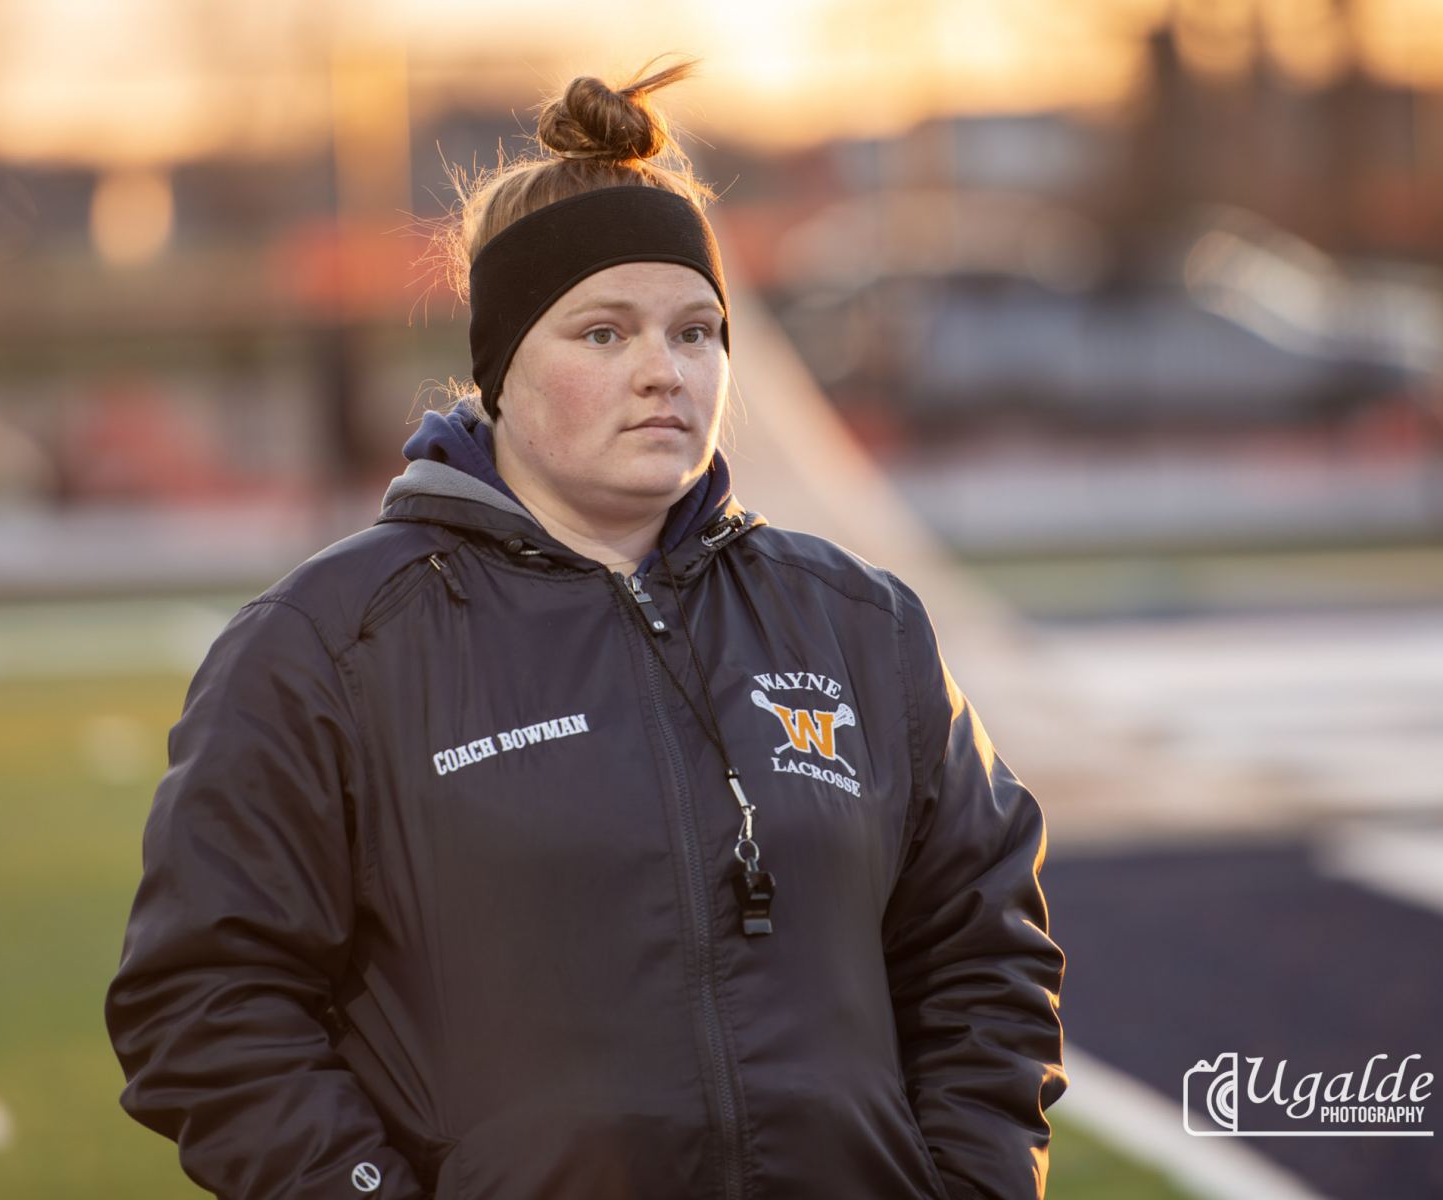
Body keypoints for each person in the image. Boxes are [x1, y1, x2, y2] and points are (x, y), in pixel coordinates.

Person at [105, 59, 1067, 1200]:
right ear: (502, 365)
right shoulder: (328, 647)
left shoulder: (860, 625)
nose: (665, 373)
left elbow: (983, 954)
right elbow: (205, 1002)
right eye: (604, 335)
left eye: (696, 332)